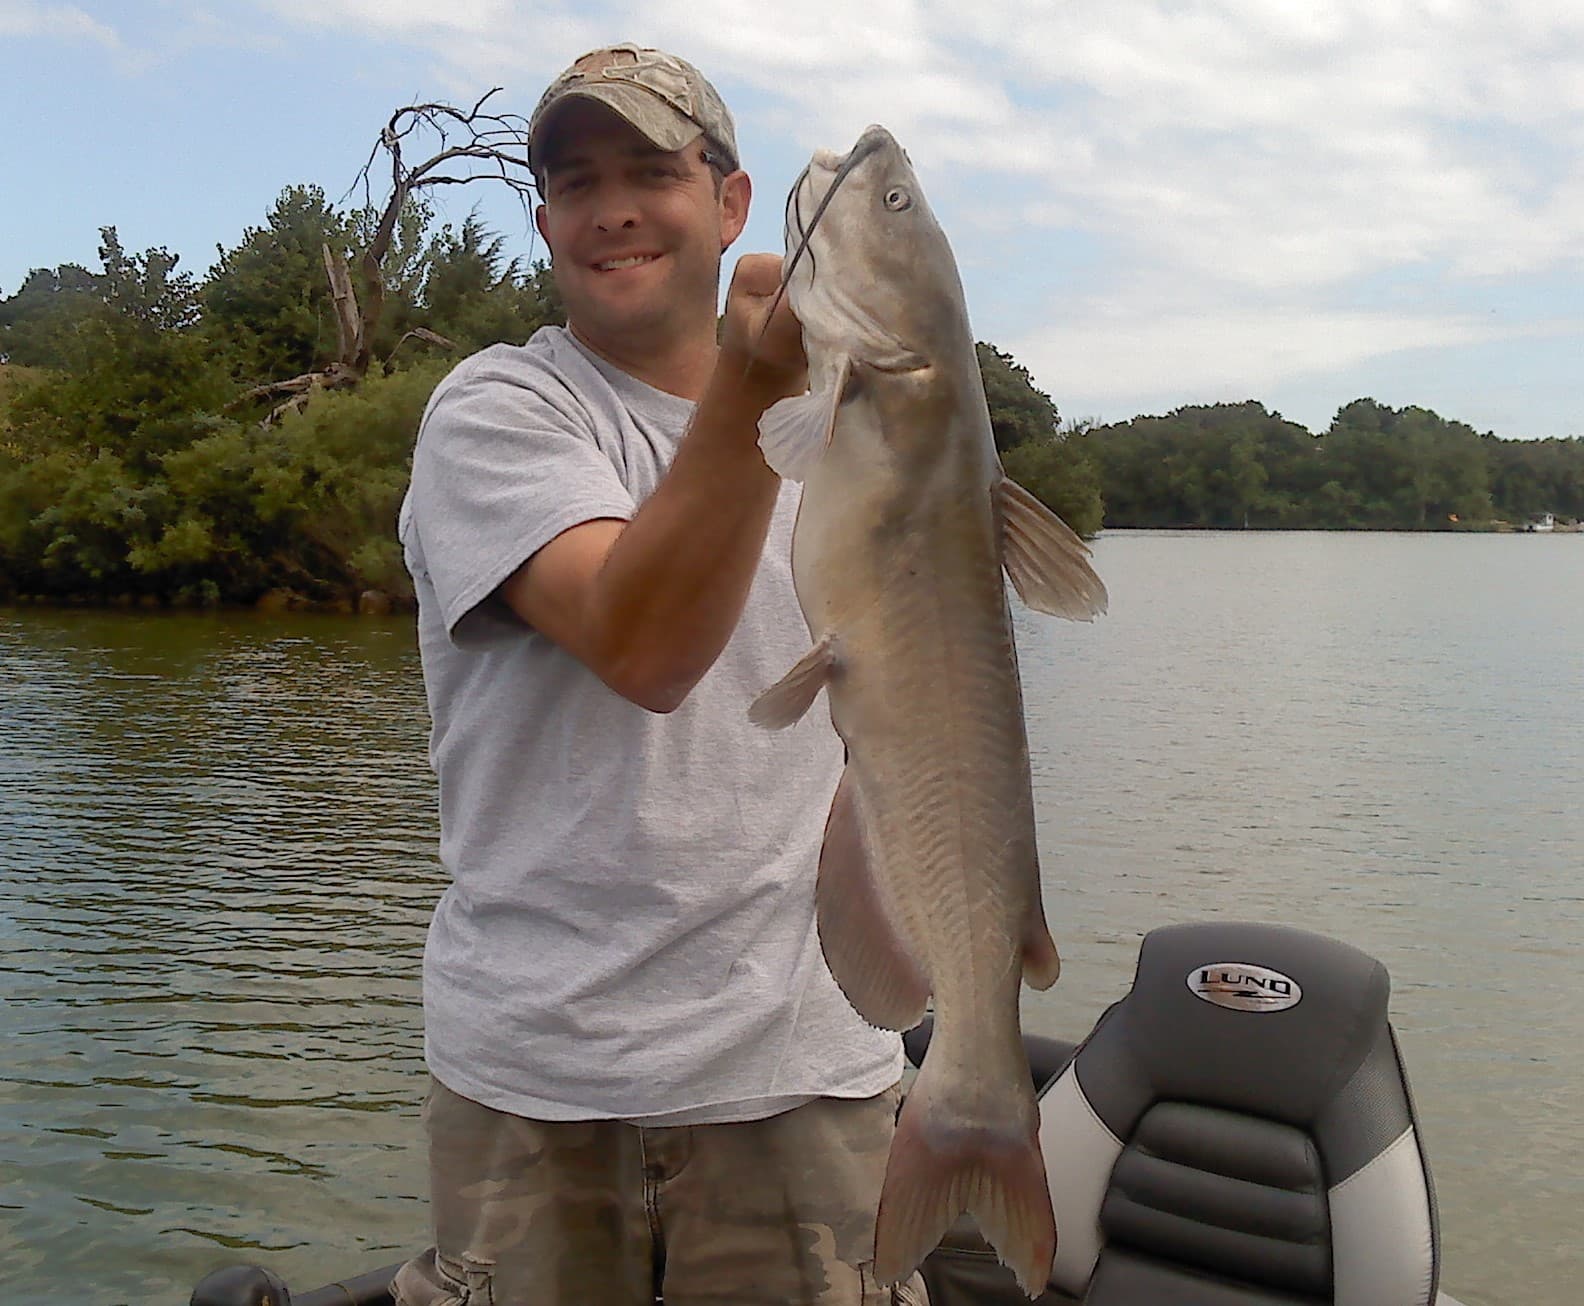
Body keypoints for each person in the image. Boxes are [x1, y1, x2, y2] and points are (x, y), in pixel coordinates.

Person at [392, 43, 921, 1306]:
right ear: (544, 226)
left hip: (806, 1074)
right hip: (539, 1086)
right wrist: (755, 388)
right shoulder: (498, 413)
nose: (612, 208)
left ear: (732, 206)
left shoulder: (856, 437)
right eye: (576, 183)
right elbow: (645, 646)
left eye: (651, 171)